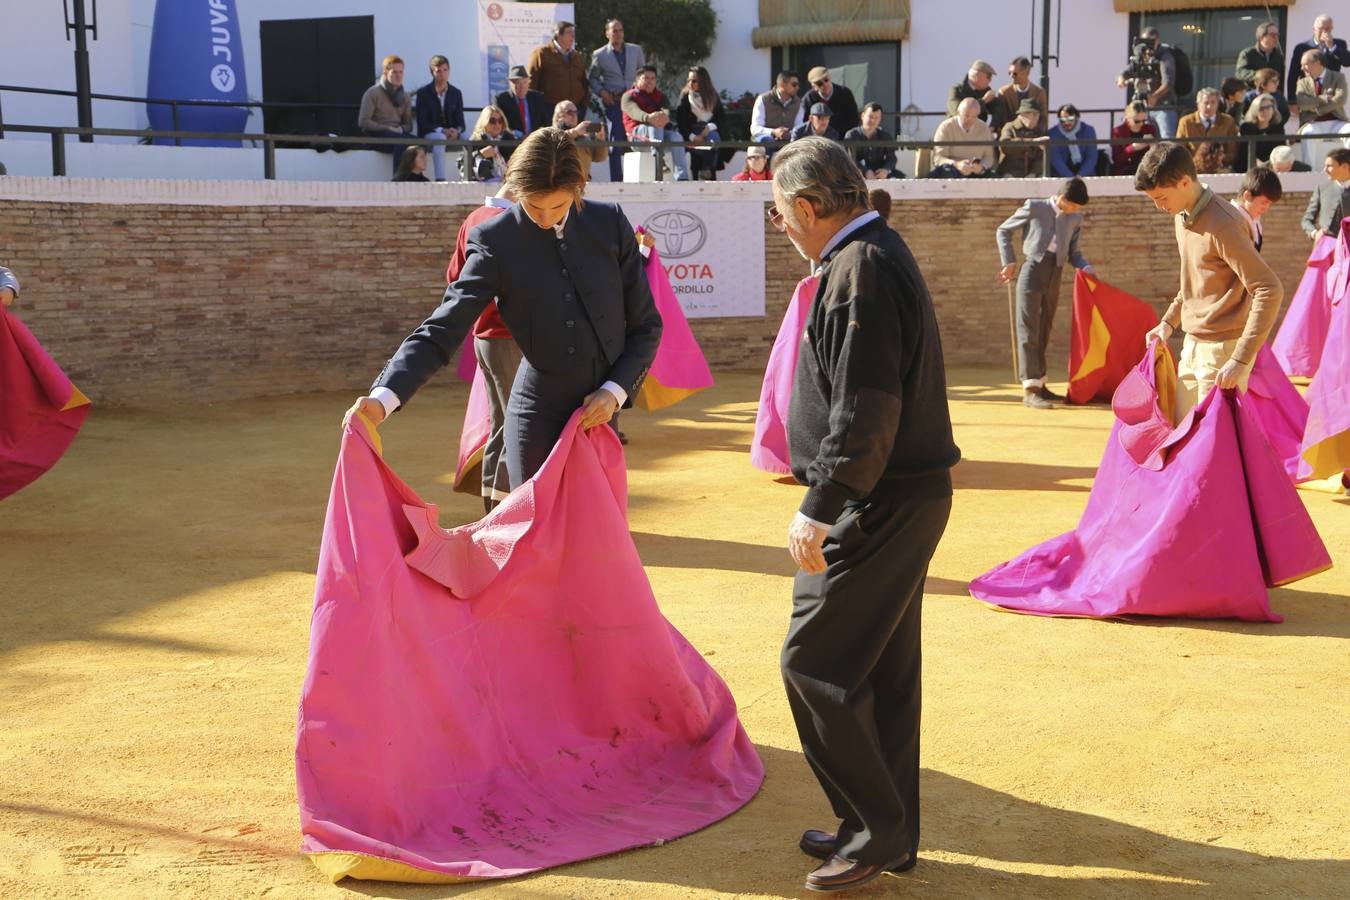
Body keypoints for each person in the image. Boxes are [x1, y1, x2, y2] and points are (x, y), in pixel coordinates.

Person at [772, 135, 959, 893]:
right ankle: (885, 829)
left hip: (879, 501)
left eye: (781, 211)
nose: (780, 225)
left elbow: (867, 407)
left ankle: (876, 830)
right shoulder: (869, 254)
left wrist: (821, 507)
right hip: (899, 494)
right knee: (880, 670)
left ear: (812, 208)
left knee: (813, 663)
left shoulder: (859, 271)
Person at [350, 127, 662, 490]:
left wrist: (615, 391)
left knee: (596, 539)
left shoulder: (608, 224)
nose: (544, 219)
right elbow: (443, 327)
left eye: (557, 207)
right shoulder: (495, 239)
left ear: (579, 189)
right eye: (532, 206)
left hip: (602, 413)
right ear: (516, 190)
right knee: (532, 534)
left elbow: (646, 327)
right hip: (536, 415)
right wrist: (384, 397)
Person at [1136, 142, 1283, 419]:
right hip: (1191, 346)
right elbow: (1193, 280)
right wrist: (1167, 323)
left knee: (1212, 452)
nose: (1158, 207)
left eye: (1161, 198)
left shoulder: (1224, 222)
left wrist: (1240, 359)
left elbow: (1268, 289)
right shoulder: (1182, 217)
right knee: (1184, 440)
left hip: (1223, 352)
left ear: (1184, 182)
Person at [996, 177, 1095, 409]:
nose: (1075, 211)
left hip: (1056, 272)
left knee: (1044, 326)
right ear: (1062, 198)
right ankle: (1029, 389)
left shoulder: (1074, 218)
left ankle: (1040, 383)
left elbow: (1074, 253)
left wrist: (1086, 266)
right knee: (1028, 328)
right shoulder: (1035, 207)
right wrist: (1009, 261)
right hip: (1032, 269)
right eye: (1073, 205)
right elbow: (1003, 230)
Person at [589, 18, 645, 182]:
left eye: (620, 30)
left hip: (635, 103)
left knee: (637, 139)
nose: (618, 33)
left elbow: (643, 73)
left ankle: (638, 178)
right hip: (614, 103)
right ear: (607, 33)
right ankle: (617, 181)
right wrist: (602, 92)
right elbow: (592, 78)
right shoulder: (599, 55)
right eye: (614, 30)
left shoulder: (636, 50)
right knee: (615, 141)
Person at [621, 65, 691, 181]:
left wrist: (664, 116)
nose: (650, 81)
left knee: (676, 137)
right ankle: (660, 162)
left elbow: (666, 110)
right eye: (646, 78)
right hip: (637, 137)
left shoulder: (660, 95)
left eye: (653, 78)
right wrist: (649, 117)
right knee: (655, 123)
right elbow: (634, 111)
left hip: (658, 134)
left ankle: (682, 177)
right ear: (637, 80)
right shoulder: (628, 96)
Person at [1118, 26, 1178, 139]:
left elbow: (1168, 82)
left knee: (1167, 139)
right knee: (1142, 140)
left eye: (1151, 41)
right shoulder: (1140, 57)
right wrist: (1121, 79)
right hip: (1143, 108)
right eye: (1145, 41)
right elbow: (1127, 71)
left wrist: (1155, 96)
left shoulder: (1165, 56)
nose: (1148, 45)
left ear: (1157, 41)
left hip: (1163, 107)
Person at [413, 55, 465, 183]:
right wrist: (442, 131)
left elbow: (461, 122)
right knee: (440, 139)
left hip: (451, 132)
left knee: (469, 138)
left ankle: (470, 176)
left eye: (445, 70)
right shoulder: (423, 93)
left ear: (449, 71)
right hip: (431, 133)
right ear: (432, 72)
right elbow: (423, 122)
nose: (442, 74)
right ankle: (440, 179)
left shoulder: (456, 93)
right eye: (438, 71)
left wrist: (457, 131)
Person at [676, 66, 732, 180]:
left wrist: (709, 128)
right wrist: (693, 137)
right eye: (689, 80)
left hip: (708, 130)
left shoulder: (712, 96)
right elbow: (681, 122)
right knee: (698, 150)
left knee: (714, 137)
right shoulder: (685, 96)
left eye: (694, 80)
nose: (690, 83)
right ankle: (700, 173)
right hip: (691, 133)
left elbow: (721, 118)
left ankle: (707, 169)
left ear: (703, 81)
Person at [359, 54, 413, 172]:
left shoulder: (405, 96)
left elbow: (409, 125)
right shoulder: (373, 92)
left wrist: (400, 129)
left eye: (401, 72)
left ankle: (414, 181)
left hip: (398, 134)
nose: (398, 76)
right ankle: (398, 182)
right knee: (401, 143)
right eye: (394, 72)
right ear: (385, 72)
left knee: (419, 144)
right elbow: (363, 122)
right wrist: (387, 128)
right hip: (376, 135)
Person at [526, 20, 588, 116]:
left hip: (575, 109)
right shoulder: (542, 53)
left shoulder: (577, 57)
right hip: (549, 108)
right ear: (558, 34)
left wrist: (583, 104)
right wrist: (535, 107)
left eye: (573, 33)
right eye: (569, 32)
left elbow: (584, 83)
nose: (573, 36)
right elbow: (531, 82)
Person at [1287, 14, 1350, 106]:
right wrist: (1292, 101)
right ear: (1314, 29)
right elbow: (1293, 74)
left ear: (1331, 29)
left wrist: (1332, 47)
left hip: (1331, 94)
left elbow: (1347, 62)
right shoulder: (1301, 47)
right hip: (1308, 94)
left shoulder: (1339, 44)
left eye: (1327, 29)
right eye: (1321, 28)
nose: (1324, 32)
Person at [495, 66, 550, 164]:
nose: (521, 87)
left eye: (524, 82)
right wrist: (520, 136)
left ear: (529, 82)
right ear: (510, 83)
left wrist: (533, 136)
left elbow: (545, 123)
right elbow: (501, 126)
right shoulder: (501, 99)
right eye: (516, 83)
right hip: (512, 145)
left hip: (534, 144)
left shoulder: (537, 98)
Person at [929, 98, 996, 178]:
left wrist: (981, 167)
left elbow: (989, 157)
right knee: (947, 172)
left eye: (974, 117)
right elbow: (938, 158)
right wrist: (956, 164)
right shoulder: (946, 127)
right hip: (952, 168)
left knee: (994, 176)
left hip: (974, 170)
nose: (970, 120)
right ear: (959, 113)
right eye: (966, 116)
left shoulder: (984, 128)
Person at [1176, 88, 1239, 172]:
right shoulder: (1186, 122)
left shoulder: (1228, 121)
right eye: (1206, 103)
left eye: (1213, 102)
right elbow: (1180, 151)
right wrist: (1198, 159)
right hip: (1192, 169)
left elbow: (1232, 152)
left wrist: (1220, 158)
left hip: (1220, 168)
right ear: (1198, 104)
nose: (1209, 107)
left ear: (1218, 104)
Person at [1231, 164, 1284, 252]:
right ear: (1247, 196)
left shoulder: (1254, 219)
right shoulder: (1231, 221)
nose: (1266, 209)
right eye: (1264, 202)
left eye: (1269, 204)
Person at [551, 100, 608, 180]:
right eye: (570, 112)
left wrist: (600, 140)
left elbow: (600, 158)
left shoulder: (583, 137)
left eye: (576, 112)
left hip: (582, 185)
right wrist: (576, 131)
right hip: (562, 185)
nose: (574, 115)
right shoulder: (551, 133)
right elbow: (557, 139)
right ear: (559, 116)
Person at [1302, 147, 1350, 241]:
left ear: (1345, 166)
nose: (1325, 170)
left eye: (1329, 166)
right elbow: (1307, 219)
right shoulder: (1323, 188)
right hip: (1326, 247)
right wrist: (1314, 233)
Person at [844, 102, 899, 179]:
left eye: (877, 117)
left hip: (879, 173)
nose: (873, 120)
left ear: (880, 119)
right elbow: (849, 158)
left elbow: (892, 157)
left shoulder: (885, 135)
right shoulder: (852, 135)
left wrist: (885, 170)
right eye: (870, 116)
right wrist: (865, 171)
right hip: (857, 173)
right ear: (862, 116)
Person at [802, 66, 860, 136]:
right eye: (819, 83)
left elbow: (854, 119)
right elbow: (805, 122)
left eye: (826, 80)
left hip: (842, 138)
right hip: (817, 138)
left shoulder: (845, 93)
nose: (825, 85)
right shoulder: (809, 98)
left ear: (830, 77)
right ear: (813, 86)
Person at [751, 71, 805, 144]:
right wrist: (773, 132)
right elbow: (755, 128)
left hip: (788, 139)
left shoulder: (798, 102)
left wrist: (789, 133)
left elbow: (799, 127)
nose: (798, 88)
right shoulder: (763, 99)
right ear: (783, 84)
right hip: (766, 138)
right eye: (794, 85)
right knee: (767, 139)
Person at [997, 99, 1047, 178]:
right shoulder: (1010, 127)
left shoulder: (1039, 131)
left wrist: (1033, 173)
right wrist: (1032, 142)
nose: (1032, 118)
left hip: (1032, 174)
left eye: (1036, 114)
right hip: (1010, 173)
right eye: (1028, 114)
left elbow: (1042, 157)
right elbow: (1004, 145)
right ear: (1020, 115)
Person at [1236, 93, 1286, 171]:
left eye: (1269, 107)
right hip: (1249, 168)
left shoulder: (1278, 128)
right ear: (1255, 111)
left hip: (1273, 168)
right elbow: (1245, 152)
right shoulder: (1247, 128)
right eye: (1261, 108)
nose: (1265, 111)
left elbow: (1281, 150)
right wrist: (1259, 164)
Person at [1047, 104, 1099, 178]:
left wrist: (1080, 175)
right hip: (1061, 175)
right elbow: (1056, 160)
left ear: (1077, 117)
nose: (1067, 123)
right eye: (1063, 120)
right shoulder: (1053, 133)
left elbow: (1091, 157)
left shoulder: (1088, 130)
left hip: (1085, 174)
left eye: (1070, 119)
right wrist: (1070, 178)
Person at [1110, 100, 1158, 176]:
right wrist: (1132, 148)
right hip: (1125, 171)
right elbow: (1117, 159)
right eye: (1137, 121)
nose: (1141, 123)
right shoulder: (1118, 131)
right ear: (1128, 118)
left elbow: (1157, 155)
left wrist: (1152, 144)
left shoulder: (1149, 129)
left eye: (1144, 120)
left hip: (1146, 170)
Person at [947, 59, 1001, 126]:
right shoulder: (957, 90)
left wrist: (992, 127)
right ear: (976, 76)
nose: (990, 80)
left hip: (977, 132)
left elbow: (999, 110)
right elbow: (959, 113)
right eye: (988, 76)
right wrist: (984, 101)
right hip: (956, 131)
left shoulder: (986, 91)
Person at [997, 56, 1049, 124]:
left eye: (1015, 73)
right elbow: (1002, 120)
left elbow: (1043, 119)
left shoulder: (1039, 92)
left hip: (1034, 132)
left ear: (1027, 72)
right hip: (1011, 132)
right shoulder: (1004, 92)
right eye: (1009, 73)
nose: (1011, 76)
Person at [1236, 21, 1285, 89]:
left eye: (1277, 35)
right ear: (1261, 37)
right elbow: (1240, 73)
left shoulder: (1279, 56)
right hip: (1252, 94)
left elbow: (1281, 79)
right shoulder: (1247, 54)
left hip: (1272, 96)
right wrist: (1261, 76)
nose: (1276, 38)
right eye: (1273, 35)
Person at [469, 106, 510, 182]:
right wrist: (480, 155)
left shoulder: (509, 139)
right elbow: (463, 165)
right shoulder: (475, 141)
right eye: (492, 121)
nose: (497, 124)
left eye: (500, 121)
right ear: (484, 122)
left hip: (507, 182)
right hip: (483, 184)